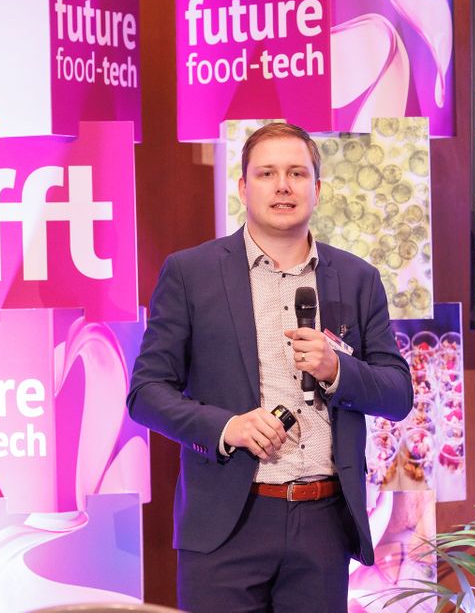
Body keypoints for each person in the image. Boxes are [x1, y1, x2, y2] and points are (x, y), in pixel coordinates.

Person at [127, 122, 413, 612]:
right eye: (267, 174)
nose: (283, 186)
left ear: (318, 190)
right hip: (226, 524)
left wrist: (337, 370)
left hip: (323, 523)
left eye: (297, 173)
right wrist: (227, 427)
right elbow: (146, 393)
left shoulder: (358, 278)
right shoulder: (191, 273)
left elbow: (397, 394)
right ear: (243, 188)